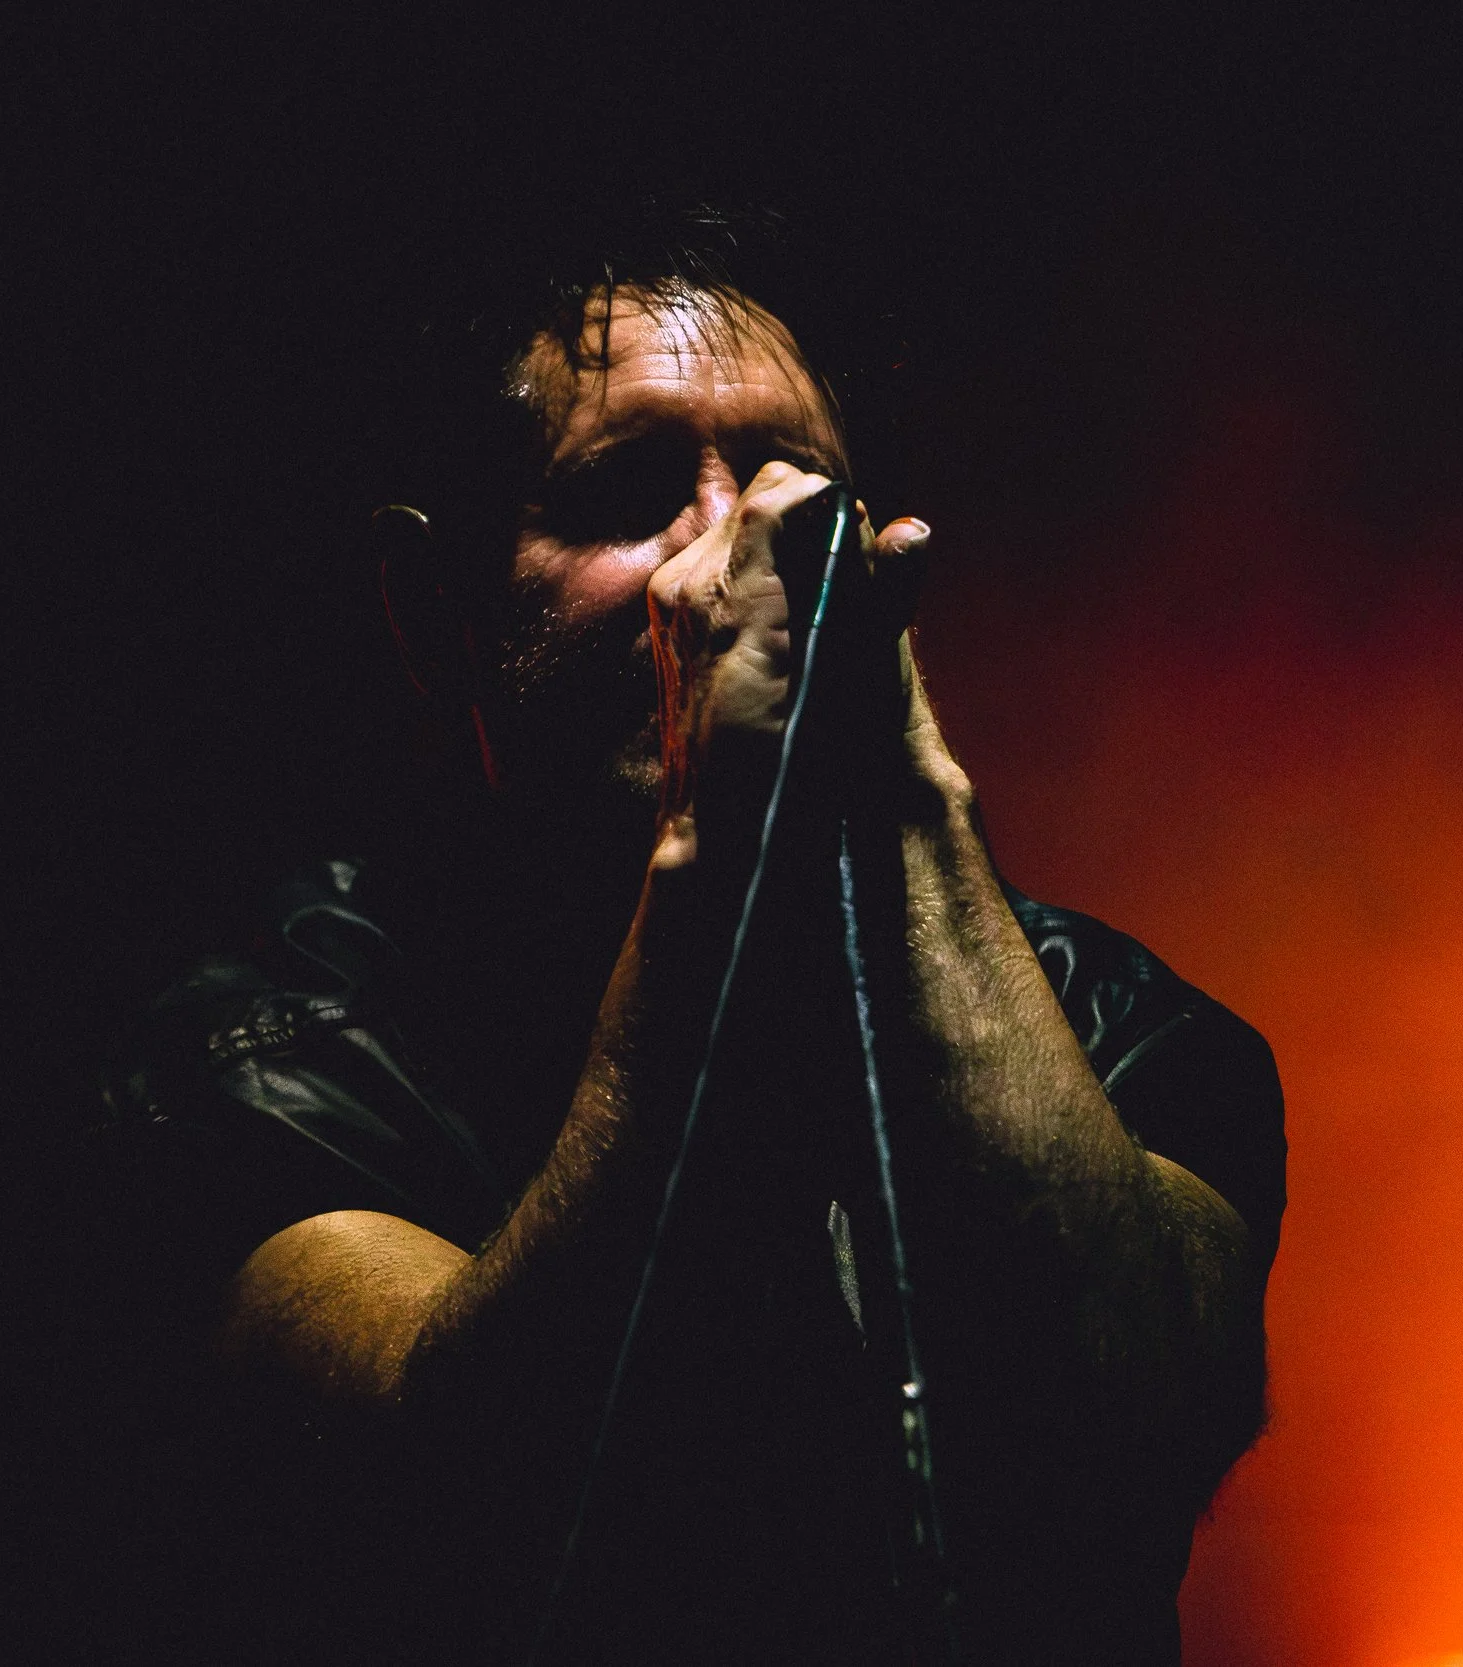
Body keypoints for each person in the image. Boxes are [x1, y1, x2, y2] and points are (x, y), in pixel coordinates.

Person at [121, 213, 1285, 1665]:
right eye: (626, 492)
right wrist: (713, 835)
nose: (732, 545)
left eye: (801, 499)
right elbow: (468, 1489)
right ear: (435, 616)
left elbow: (1148, 1400)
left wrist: (897, 768)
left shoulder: (1114, 1022)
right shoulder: (272, 1053)